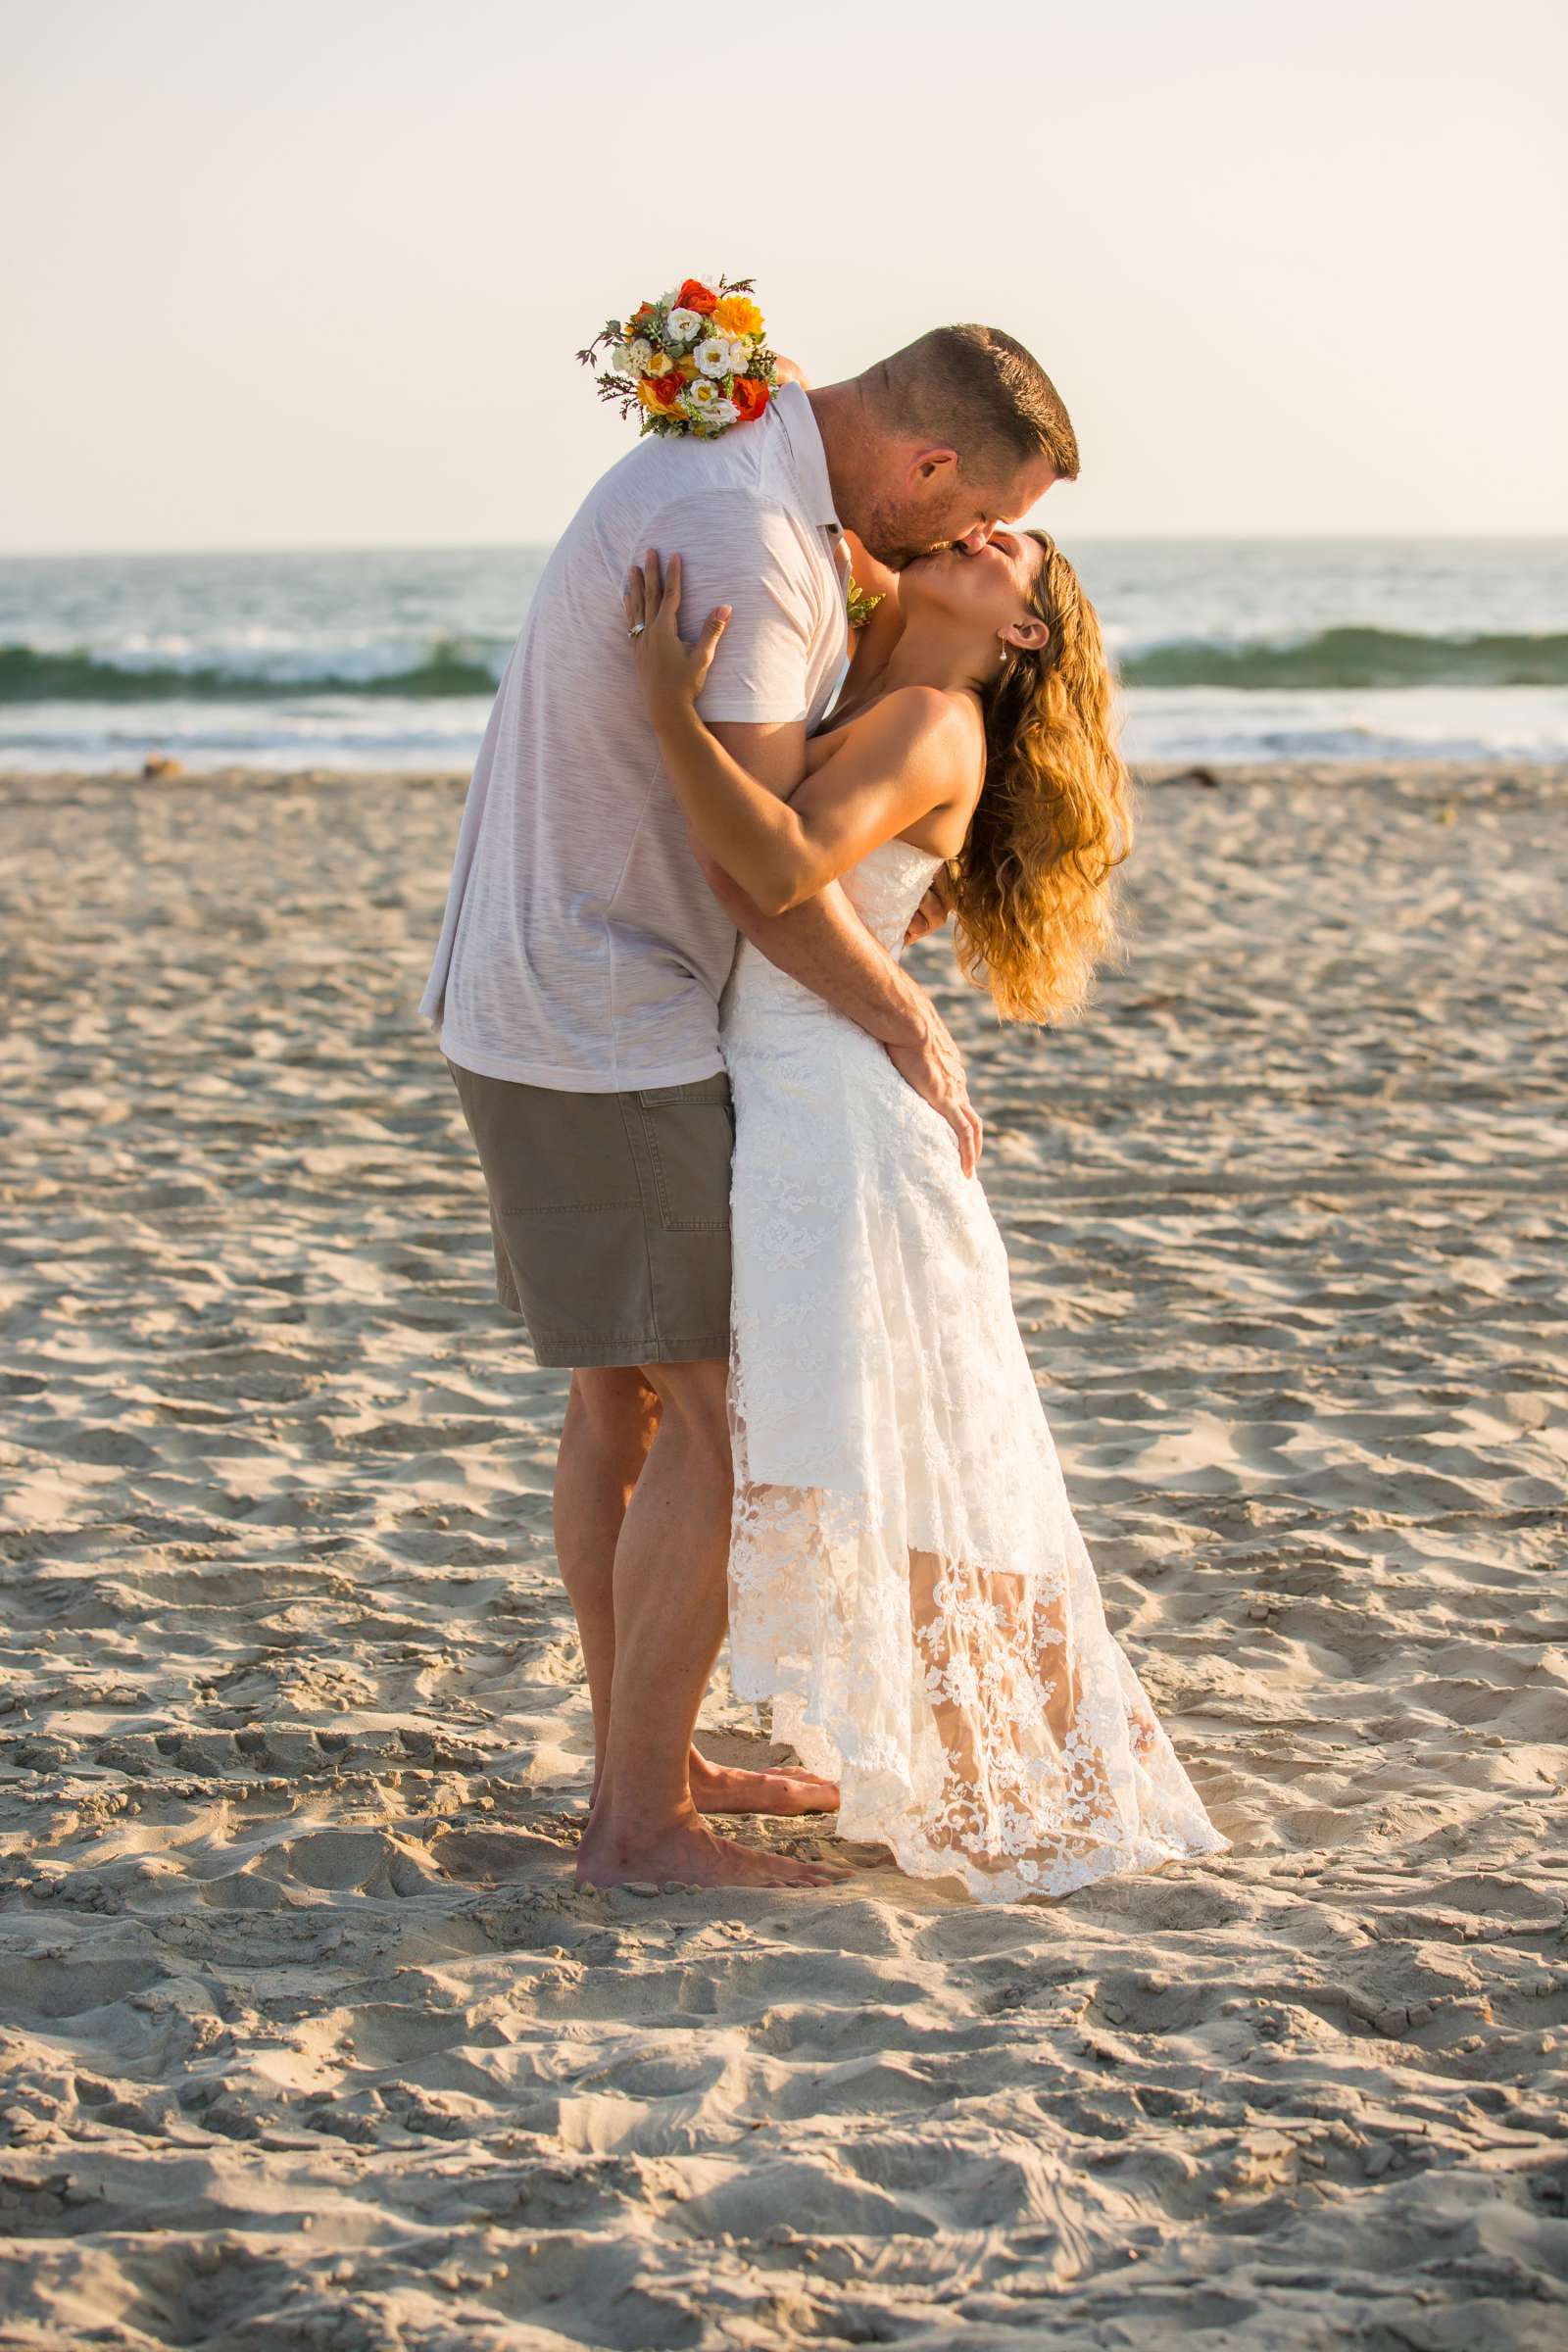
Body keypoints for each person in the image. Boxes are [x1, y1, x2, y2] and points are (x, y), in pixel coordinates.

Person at [418, 325, 1078, 1889]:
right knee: (693, 1410)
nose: (964, 544)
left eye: (1006, 548)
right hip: (606, 1015)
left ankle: (653, 1764)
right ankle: (640, 1818)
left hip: (580, 1003)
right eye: (974, 514)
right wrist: (903, 1004)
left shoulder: (787, 520)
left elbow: (797, 837)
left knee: (630, 1402)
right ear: (925, 469)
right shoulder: (754, 528)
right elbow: (760, 869)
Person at [619, 528, 1228, 1900]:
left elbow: (773, 868)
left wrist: (667, 706)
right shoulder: (870, 686)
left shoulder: (934, 723)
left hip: (834, 1115)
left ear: (1027, 634)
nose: (988, 535)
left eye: (1020, 552)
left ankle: (1046, 1752)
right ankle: (1016, 1746)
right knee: (872, 1443)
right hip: (787, 1097)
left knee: (901, 1452)